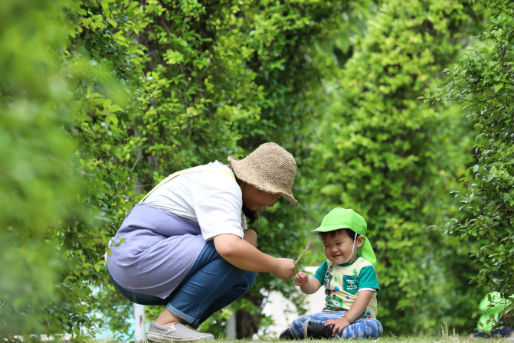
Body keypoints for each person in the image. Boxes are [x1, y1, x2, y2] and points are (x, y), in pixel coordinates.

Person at [106, 142, 297, 342]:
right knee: (236, 252)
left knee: (247, 267)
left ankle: (172, 327)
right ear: (255, 183)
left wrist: (251, 240)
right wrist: (275, 265)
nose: (272, 204)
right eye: (274, 195)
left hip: (140, 270)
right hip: (134, 260)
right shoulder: (222, 184)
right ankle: (166, 324)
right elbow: (229, 248)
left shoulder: (230, 192)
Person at [279, 208, 383, 339]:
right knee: (296, 323)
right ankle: (326, 332)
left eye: (339, 243)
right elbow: (312, 287)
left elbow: (363, 299)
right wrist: (305, 283)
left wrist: (345, 320)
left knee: (375, 327)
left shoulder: (365, 268)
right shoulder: (327, 265)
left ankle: (319, 332)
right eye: (327, 245)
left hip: (358, 318)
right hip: (328, 316)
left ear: (358, 241)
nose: (333, 249)